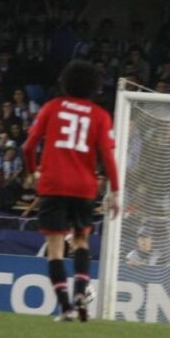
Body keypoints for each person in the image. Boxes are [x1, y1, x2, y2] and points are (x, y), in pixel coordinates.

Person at [22, 61, 119, 322]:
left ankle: (65, 307)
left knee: (55, 249)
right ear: (93, 87)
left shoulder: (52, 107)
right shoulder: (100, 115)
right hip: (84, 187)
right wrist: (115, 191)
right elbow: (108, 157)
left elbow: (28, 147)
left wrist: (32, 172)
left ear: (65, 82)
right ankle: (80, 292)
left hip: (53, 185)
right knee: (80, 242)